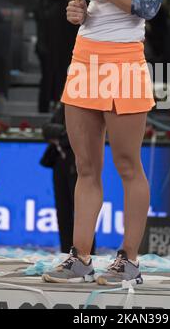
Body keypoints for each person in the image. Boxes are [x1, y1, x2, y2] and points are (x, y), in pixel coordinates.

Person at [42, 0, 170, 286]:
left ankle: (129, 260)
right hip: (85, 59)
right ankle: (80, 257)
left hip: (125, 60)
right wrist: (77, 10)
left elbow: (147, 6)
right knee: (85, 167)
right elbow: (86, 9)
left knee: (128, 165)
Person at [41, 103, 97, 254]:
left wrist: (62, 135)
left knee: (82, 209)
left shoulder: (88, 101)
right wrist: (63, 133)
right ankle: (66, 252)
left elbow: (80, 132)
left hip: (78, 159)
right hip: (60, 162)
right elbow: (46, 129)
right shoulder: (64, 103)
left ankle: (87, 252)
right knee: (62, 209)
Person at [34, 0, 79, 113]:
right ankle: (47, 109)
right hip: (51, 47)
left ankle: (59, 109)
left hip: (66, 48)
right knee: (50, 78)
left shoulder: (70, 5)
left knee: (62, 79)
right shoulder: (53, 4)